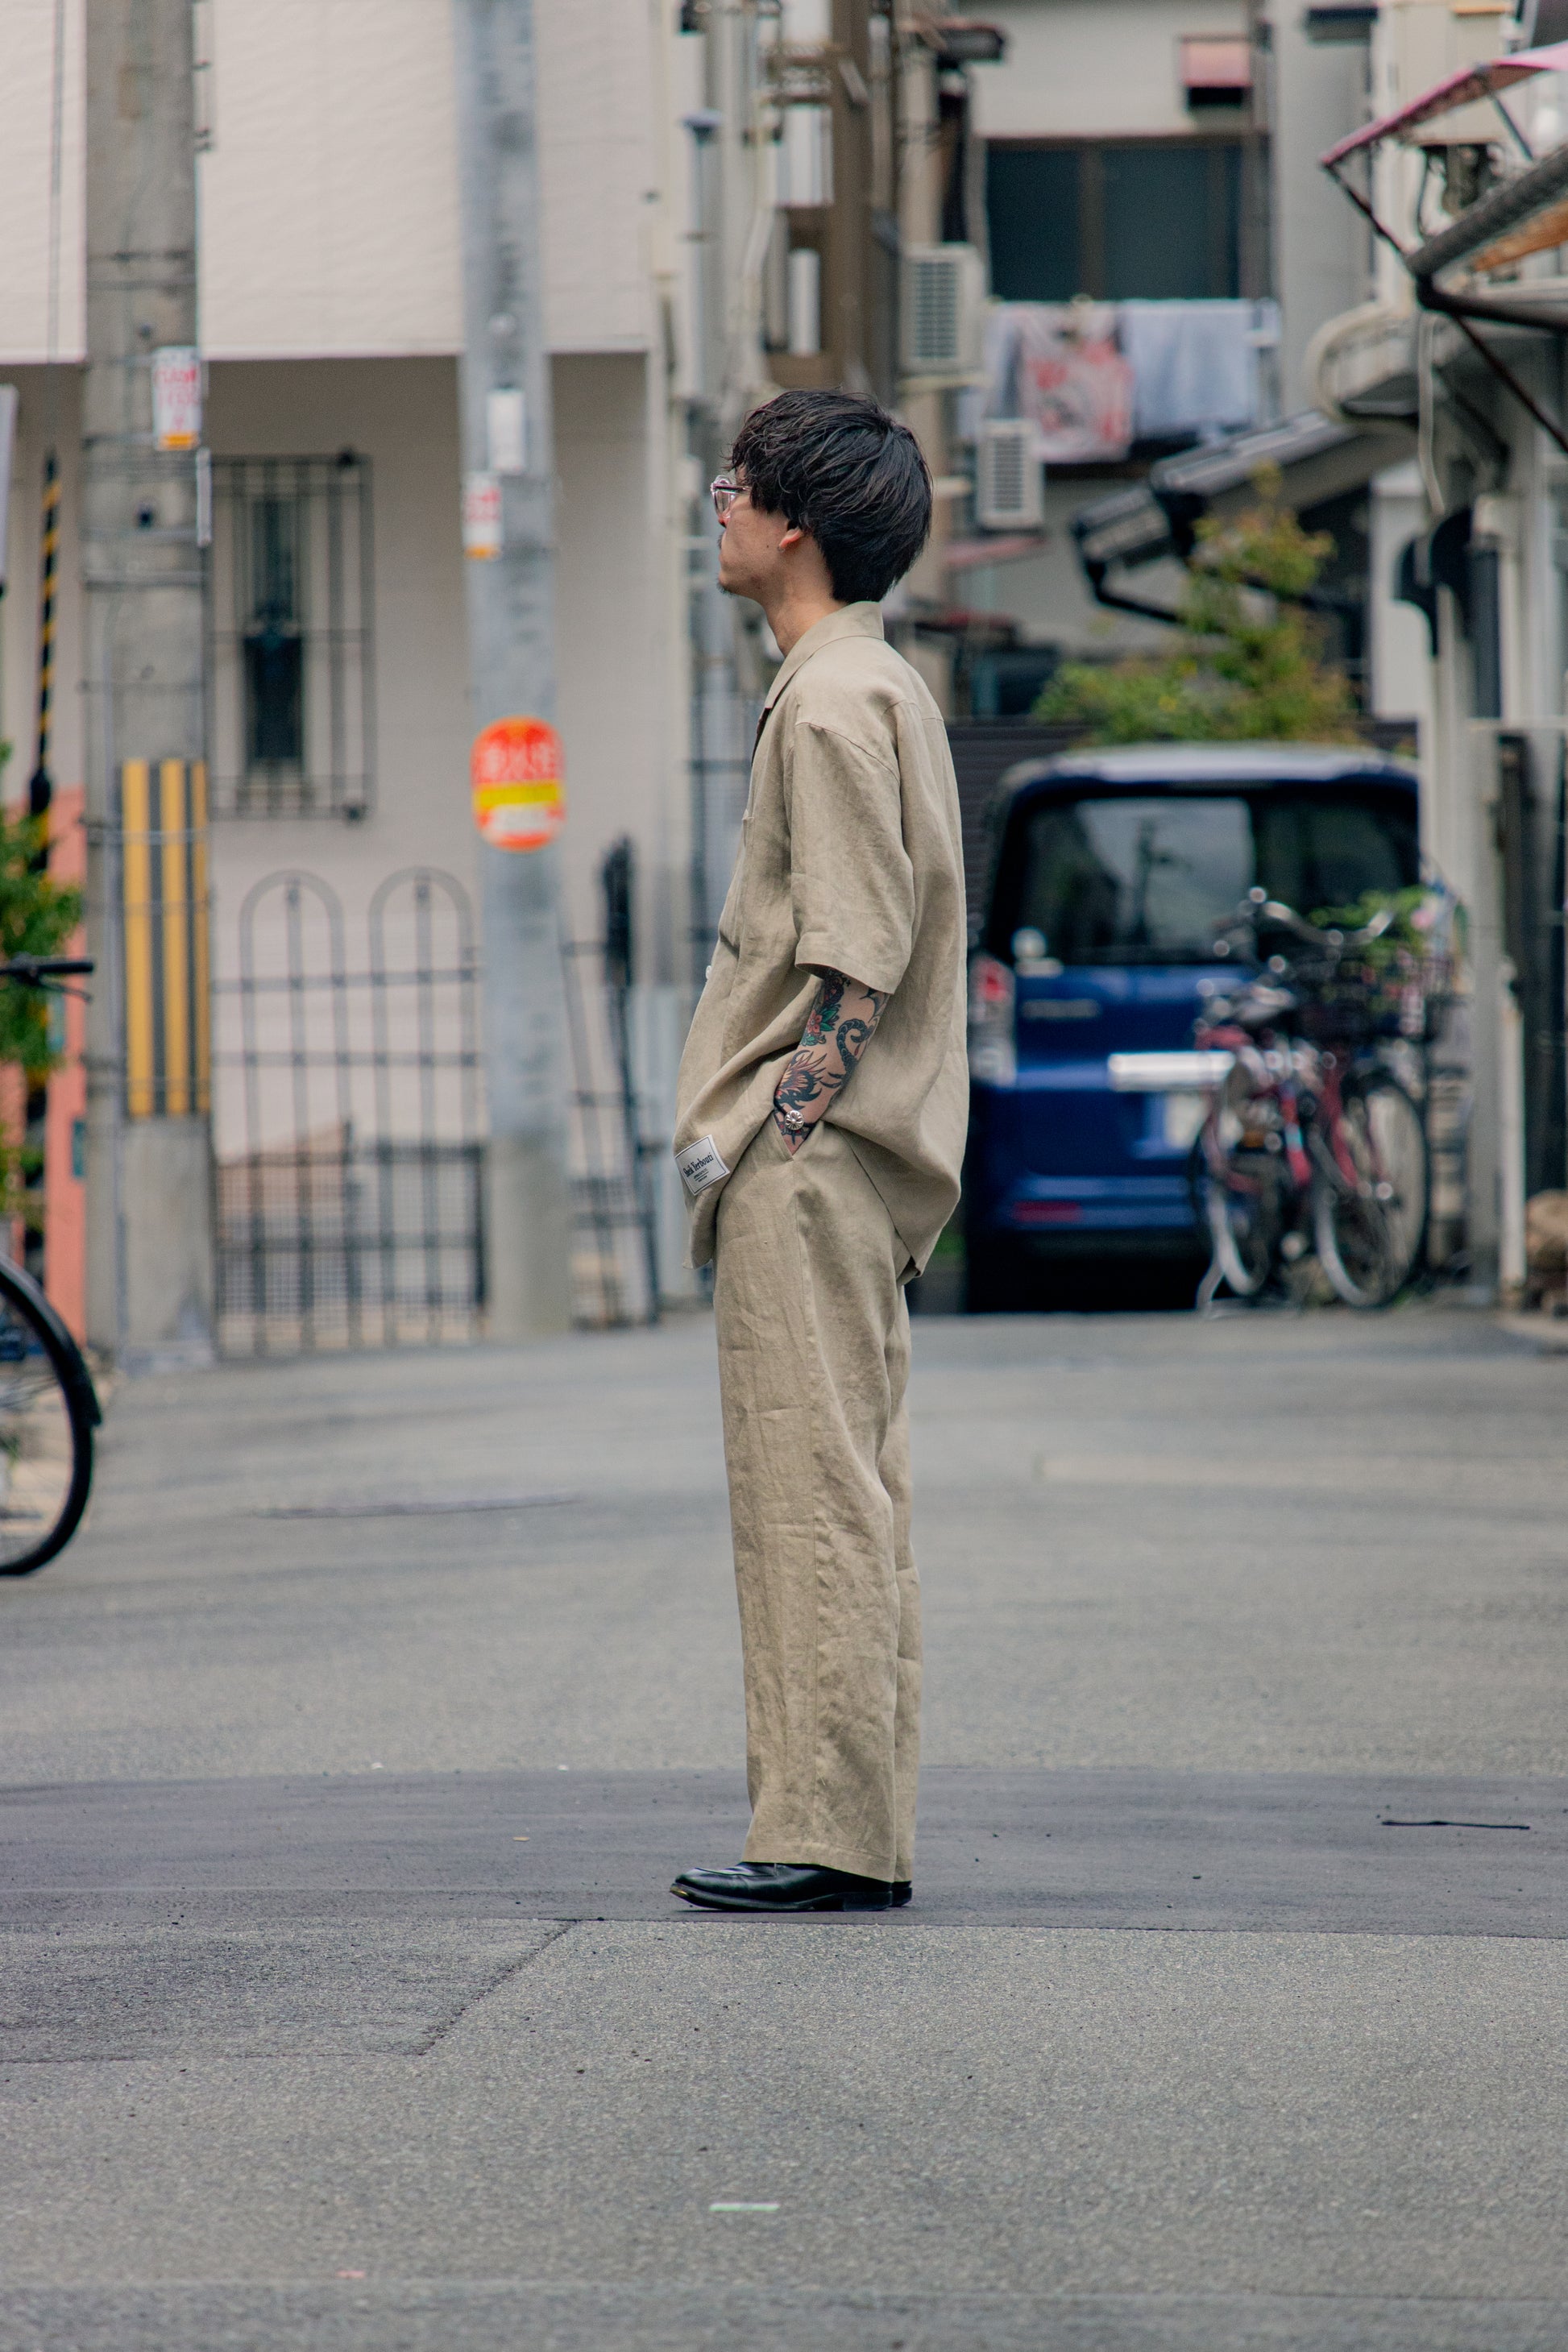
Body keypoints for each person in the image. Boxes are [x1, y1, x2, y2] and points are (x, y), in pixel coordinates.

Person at [669, 389, 968, 1914]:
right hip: (845, 1161)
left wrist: (786, 1122)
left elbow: (859, 942)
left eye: (736, 486)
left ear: (794, 525)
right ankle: (847, 1826)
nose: (717, 507)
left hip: (814, 1161)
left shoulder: (835, 700)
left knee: (808, 1492)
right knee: (845, 1482)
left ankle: (828, 1837)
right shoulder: (867, 682)